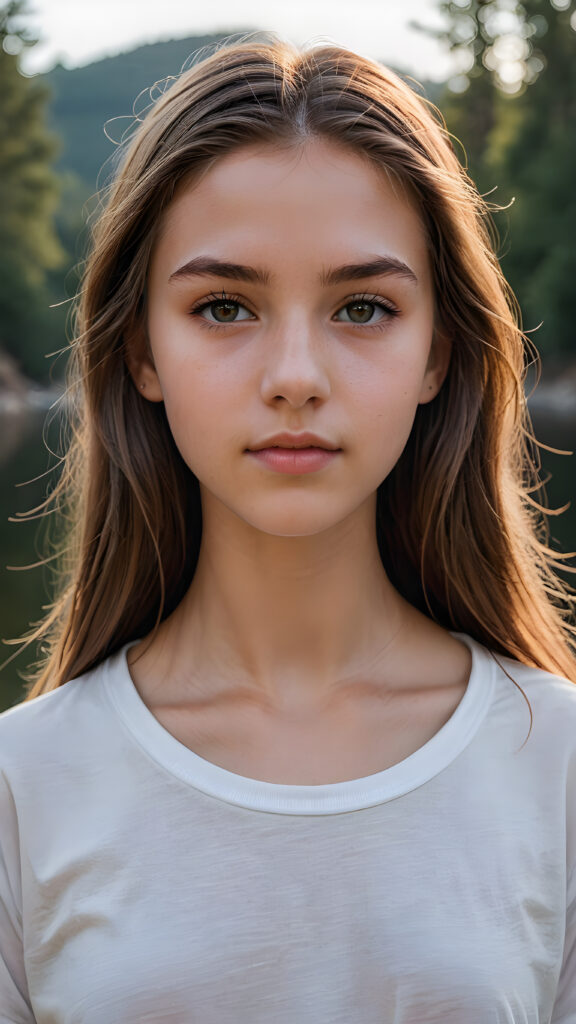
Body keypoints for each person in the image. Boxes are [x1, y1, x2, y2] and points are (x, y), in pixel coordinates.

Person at [1, 33, 575, 1023]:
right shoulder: (22, 787)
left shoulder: (557, 765)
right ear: (142, 350)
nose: (296, 375)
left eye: (362, 307)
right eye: (225, 306)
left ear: (438, 351)